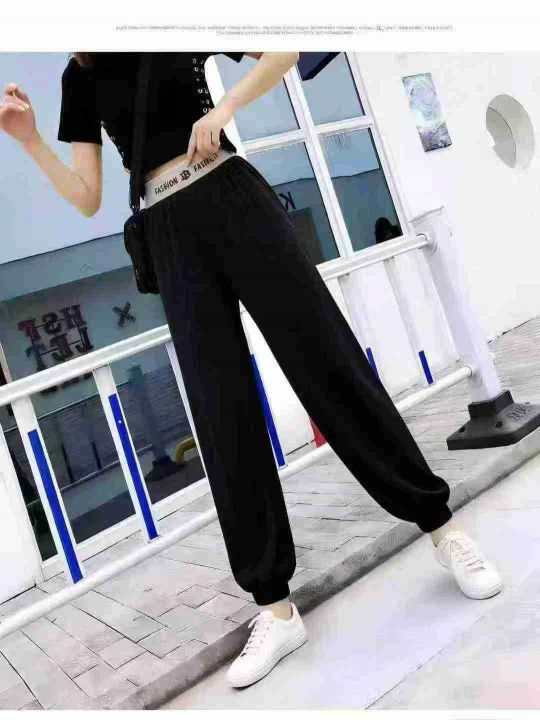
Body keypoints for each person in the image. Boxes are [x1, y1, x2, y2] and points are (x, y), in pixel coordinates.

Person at [1, 51, 503, 690]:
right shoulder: (79, 75)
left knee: (327, 360)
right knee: (220, 409)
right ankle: (275, 607)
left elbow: (282, 49)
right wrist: (29, 139)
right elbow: (86, 196)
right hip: (167, 231)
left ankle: (441, 527)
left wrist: (226, 108)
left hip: (232, 194)